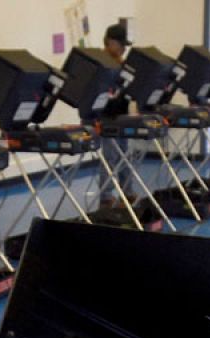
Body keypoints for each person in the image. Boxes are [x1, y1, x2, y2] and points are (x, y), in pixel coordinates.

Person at [92, 23, 135, 206]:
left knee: (125, 155)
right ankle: (106, 196)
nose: (124, 49)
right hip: (105, 116)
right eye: (121, 45)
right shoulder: (101, 64)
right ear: (110, 42)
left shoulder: (122, 64)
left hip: (121, 116)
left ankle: (128, 192)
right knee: (110, 157)